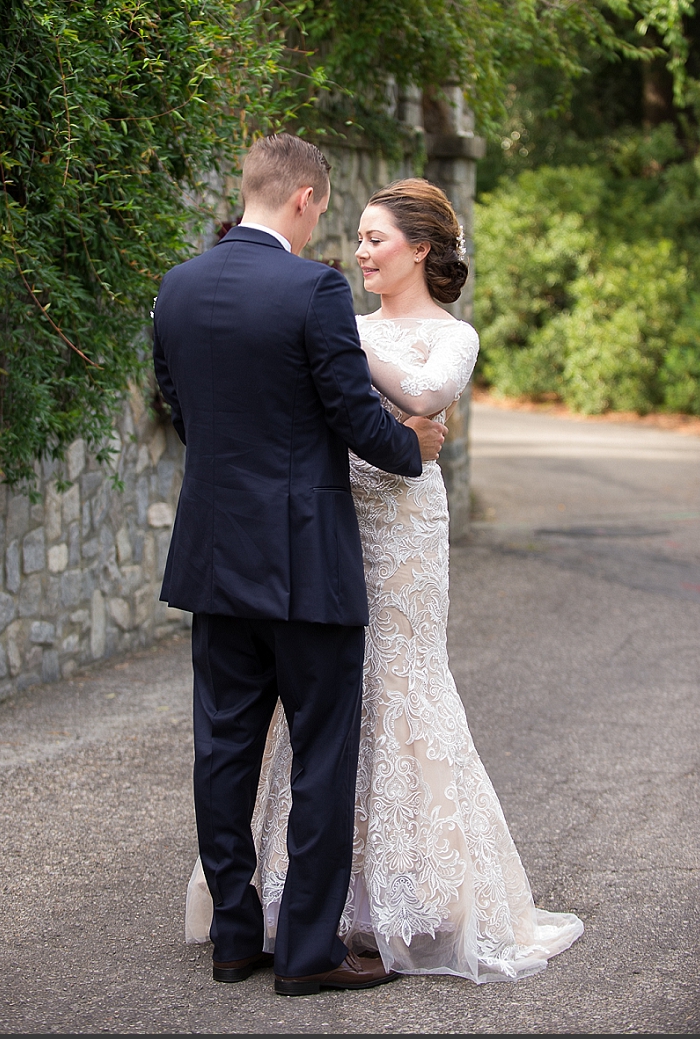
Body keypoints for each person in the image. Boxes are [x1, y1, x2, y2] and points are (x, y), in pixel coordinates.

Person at [184, 178, 585, 983]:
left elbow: (430, 395)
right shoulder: (335, 317)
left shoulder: (451, 334)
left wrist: (328, 333)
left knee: (400, 685)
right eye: (358, 238)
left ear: (422, 250)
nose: (361, 251)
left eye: (376, 239)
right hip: (332, 525)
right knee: (324, 712)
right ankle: (314, 902)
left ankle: (412, 898)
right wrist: (323, 327)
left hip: (405, 526)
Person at [153, 135, 446, 995]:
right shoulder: (312, 288)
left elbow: (178, 404)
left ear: (250, 190)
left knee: (224, 749)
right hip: (306, 562)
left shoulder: (178, 285)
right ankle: (310, 951)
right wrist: (416, 447)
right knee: (322, 753)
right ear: (308, 201)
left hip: (214, 559)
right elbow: (356, 413)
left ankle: (236, 937)